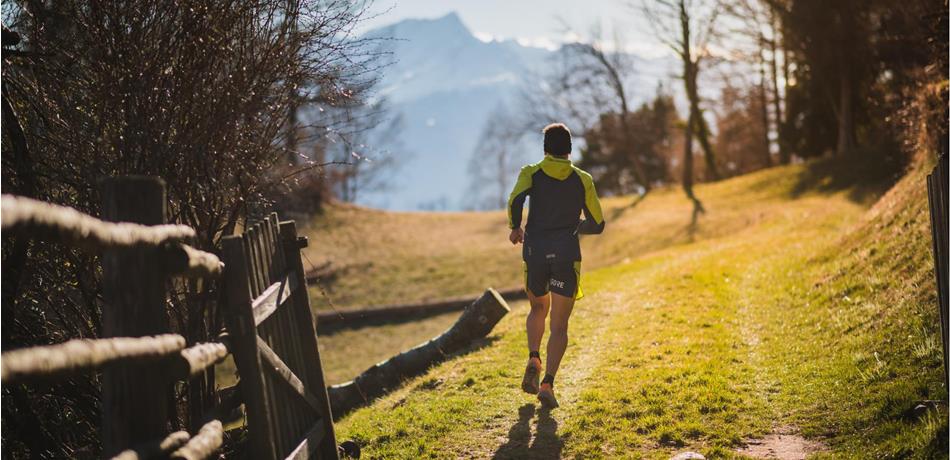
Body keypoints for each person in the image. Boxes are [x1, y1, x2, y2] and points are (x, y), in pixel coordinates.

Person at [507, 122, 605, 408]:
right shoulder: (582, 178)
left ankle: (533, 358)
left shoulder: (531, 172)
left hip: (535, 251)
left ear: (545, 149)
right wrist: (575, 227)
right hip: (566, 254)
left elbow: (516, 200)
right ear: (570, 150)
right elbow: (598, 224)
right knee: (559, 326)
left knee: (538, 307)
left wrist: (515, 227)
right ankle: (548, 383)